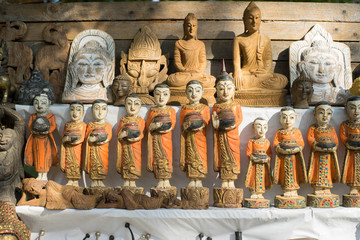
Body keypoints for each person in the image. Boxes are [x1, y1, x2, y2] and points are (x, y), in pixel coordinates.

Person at [233, 2, 287, 90]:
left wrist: (265, 70)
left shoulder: (265, 39)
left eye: (257, 18)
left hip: (262, 75)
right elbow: (236, 62)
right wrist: (237, 72)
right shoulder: (239, 39)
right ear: (244, 20)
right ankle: (255, 87)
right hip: (246, 74)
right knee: (230, 80)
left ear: (260, 19)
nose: (254, 21)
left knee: (282, 80)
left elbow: (268, 60)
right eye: (250, 18)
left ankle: (251, 87)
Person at [167, 13, 215, 88]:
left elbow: (203, 62)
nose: (191, 29)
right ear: (184, 27)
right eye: (188, 26)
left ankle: (193, 82)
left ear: (197, 27)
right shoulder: (179, 43)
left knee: (211, 80)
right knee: (172, 79)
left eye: (194, 26)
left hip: (197, 74)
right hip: (184, 74)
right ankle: (194, 83)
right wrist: (185, 70)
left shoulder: (200, 44)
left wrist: (198, 71)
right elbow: (177, 63)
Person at [212, 71, 242, 188]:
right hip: (221, 135)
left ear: (234, 90)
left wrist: (231, 125)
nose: (225, 92)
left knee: (233, 156)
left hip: (232, 136)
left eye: (229, 88)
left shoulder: (236, 105)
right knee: (222, 155)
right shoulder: (216, 106)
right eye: (221, 89)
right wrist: (216, 124)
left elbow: (239, 119)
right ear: (216, 91)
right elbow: (214, 119)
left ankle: (232, 181)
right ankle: (225, 180)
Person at [180, 80, 210, 187]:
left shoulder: (204, 108)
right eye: (190, 91)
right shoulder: (184, 109)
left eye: (197, 91)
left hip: (200, 137)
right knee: (190, 157)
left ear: (202, 92)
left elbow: (205, 122)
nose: (194, 94)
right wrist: (186, 126)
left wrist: (197, 124)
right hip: (189, 137)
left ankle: (199, 180)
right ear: (186, 93)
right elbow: (181, 125)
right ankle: (192, 179)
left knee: (200, 157)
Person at [146, 83, 176, 188]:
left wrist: (161, 126)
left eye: (165, 94)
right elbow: (148, 127)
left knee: (167, 159)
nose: (161, 97)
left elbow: (170, 125)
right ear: (153, 95)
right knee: (157, 159)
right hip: (155, 140)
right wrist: (153, 126)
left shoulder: (171, 110)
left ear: (169, 95)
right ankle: (159, 180)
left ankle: (166, 180)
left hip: (166, 140)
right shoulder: (152, 111)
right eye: (158, 94)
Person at [273, 107, 307, 197]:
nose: (287, 120)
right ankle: (286, 191)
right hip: (284, 158)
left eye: (291, 117)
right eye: (284, 117)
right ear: (280, 119)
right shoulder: (279, 132)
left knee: (295, 173)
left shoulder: (296, 131)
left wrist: (297, 149)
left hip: (294, 158)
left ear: (295, 118)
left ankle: (294, 190)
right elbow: (275, 143)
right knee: (285, 173)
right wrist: (279, 149)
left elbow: (301, 143)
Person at [307, 102, 340, 196]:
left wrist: (333, 147)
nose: (325, 116)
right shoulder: (313, 128)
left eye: (328, 113)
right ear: (315, 114)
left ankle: (326, 188)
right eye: (321, 113)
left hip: (328, 155)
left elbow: (336, 141)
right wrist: (316, 146)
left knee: (328, 171)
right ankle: (318, 187)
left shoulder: (331, 128)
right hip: (317, 155)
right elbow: (310, 138)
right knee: (317, 171)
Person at [24, 91, 58, 181]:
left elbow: (53, 126)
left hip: (46, 141)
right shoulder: (33, 116)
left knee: (46, 157)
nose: (39, 105)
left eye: (43, 102)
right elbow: (30, 126)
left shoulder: (50, 116)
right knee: (37, 157)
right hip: (36, 141)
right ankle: (39, 174)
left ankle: (45, 175)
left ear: (49, 103)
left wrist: (47, 131)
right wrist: (34, 130)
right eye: (36, 102)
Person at [116, 93, 145, 187]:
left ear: (140, 106)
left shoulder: (140, 120)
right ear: (125, 105)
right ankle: (126, 181)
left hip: (135, 147)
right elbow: (118, 135)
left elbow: (142, 134)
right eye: (129, 103)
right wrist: (122, 135)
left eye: (136, 104)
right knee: (126, 162)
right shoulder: (123, 120)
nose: (132, 107)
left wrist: (137, 138)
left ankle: (132, 182)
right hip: (125, 146)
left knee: (135, 163)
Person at [84, 99, 112, 187]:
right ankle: (94, 181)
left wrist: (104, 140)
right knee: (93, 164)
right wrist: (90, 139)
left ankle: (100, 181)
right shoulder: (90, 125)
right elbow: (87, 136)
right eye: (97, 109)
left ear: (107, 111)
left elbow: (109, 136)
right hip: (93, 149)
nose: (100, 112)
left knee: (102, 164)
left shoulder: (107, 125)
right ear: (92, 111)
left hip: (103, 149)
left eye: (103, 109)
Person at [60, 101, 87, 187]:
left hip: (77, 149)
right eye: (72, 110)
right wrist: (65, 139)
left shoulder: (82, 125)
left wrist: (70, 139)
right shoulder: (67, 125)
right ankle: (69, 180)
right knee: (68, 162)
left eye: (78, 110)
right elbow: (63, 137)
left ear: (82, 113)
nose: (75, 113)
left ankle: (75, 181)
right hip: (68, 148)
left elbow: (81, 138)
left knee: (76, 163)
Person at [245, 117, 272, 199]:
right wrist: (253, 158)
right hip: (254, 165)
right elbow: (248, 152)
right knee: (253, 178)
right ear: (253, 127)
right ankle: (253, 192)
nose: (261, 130)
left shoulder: (267, 142)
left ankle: (260, 194)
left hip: (263, 166)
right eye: (259, 126)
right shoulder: (252, 141)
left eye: (264, 127)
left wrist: (267, 159)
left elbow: (269, 154)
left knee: (262, 179)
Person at [340, 96, 360, 195]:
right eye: (352, 108)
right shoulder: (345, 125)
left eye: (359, 108)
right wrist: (348, 143)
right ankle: (354, 187)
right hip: (351, 152)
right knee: (352, 169)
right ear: (346, 109)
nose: (356, 111)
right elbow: (343, 136)